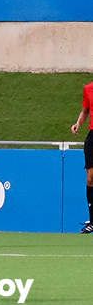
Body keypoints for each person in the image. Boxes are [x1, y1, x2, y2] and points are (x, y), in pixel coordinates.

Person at [70, 79, 93, 233]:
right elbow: (85, 110)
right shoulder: (88, 88)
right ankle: (92, 221)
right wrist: (78, 123)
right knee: (90, 178)